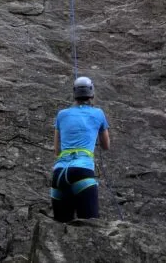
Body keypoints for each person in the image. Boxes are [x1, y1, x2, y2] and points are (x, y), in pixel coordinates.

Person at [50, 76, 111, 222]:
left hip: (59, 173)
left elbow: (57, 150)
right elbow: (106, 146)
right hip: (82, 171)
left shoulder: (62, 114)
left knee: (61, 228)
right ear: (92, 93)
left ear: (74, 94)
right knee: (90, 226)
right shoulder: (98, 113)